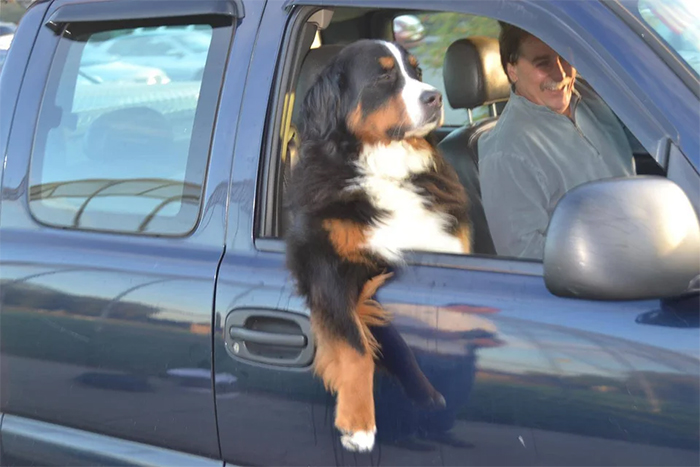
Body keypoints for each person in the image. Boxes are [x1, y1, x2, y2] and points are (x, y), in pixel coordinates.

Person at [478, 23, 635, 260]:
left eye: (564, 57)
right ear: (512, 71)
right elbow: (526, 257)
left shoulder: (592, 95)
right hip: (603, 275)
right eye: (543, 63)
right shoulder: (507, 152)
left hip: (644, 242)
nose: (561, 74)